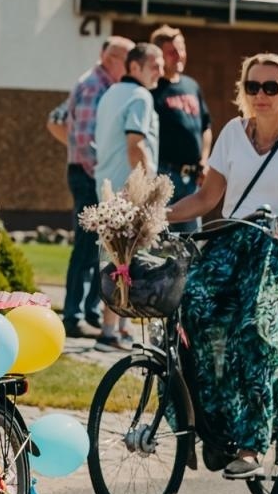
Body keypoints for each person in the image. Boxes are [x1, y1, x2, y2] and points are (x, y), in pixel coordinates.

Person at [168, 52, 278, 478]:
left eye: (271, 87)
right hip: (236, 242)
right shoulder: (232, 133)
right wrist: (153, 215)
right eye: (253, 86)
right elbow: (206, 198)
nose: (261, 95)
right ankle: (221, 431)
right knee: (196, 310)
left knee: (255, 327)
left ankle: (256, 443)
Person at [48, 36, 131, 341]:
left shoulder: (103, 85)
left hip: (89, 173)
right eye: (127, 59)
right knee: (86, 247)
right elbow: (84, 140)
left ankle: (89, 312)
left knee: (98, 247)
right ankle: (75, 316)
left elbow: (58, 121)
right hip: (89, 175)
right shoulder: (94, 86)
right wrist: (105, 174)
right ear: (112, 59)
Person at [91, 41, 164, 350]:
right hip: (127, 189)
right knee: (122, 260)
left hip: (106, 185)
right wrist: (149, 185)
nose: (160, 71)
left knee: (114, 258)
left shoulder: (110, 94)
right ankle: (112, 330)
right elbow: (135, 143)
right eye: (155, 65)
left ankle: (118, 328)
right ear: (135, 67)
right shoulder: (140, 96)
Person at [149, 25, 212, 234]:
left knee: (191, 243)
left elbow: (206, 127)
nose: (179, 56)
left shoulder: (191, 85)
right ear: (159, 55)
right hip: (163, 174)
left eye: (181, 50)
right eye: (171, 52)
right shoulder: (151, 89)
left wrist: (204, 160)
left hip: (192, 178)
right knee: (158, 241)